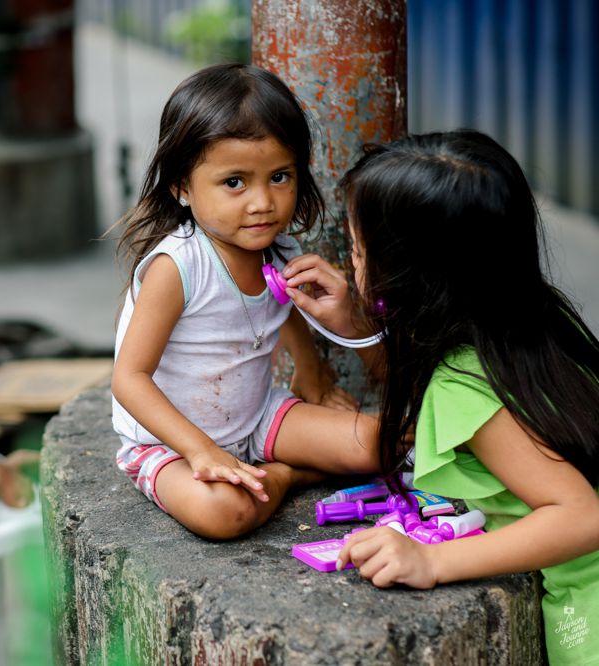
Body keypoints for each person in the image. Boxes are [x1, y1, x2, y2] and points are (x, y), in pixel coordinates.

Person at [283, 130, 599, 665]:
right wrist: (356, 325)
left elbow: (582, 516)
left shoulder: (465, 384)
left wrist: (433, 563)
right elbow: (443, 408)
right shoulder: (533, 319)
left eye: (359, 250)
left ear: (410, 277)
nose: (351, 261)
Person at [110, 64, 380, 540]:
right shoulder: (177, 268)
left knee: (373, 444)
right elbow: (129, 379)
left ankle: (270, 471)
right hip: (168, 443)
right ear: (181, 187)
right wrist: (199, 451)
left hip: (255, 418)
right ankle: (286, 474)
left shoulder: (279, 250)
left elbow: (285, 308)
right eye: (235, 182)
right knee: (223, 514)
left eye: (279, 176)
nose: (262, 202)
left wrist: (311, 376)